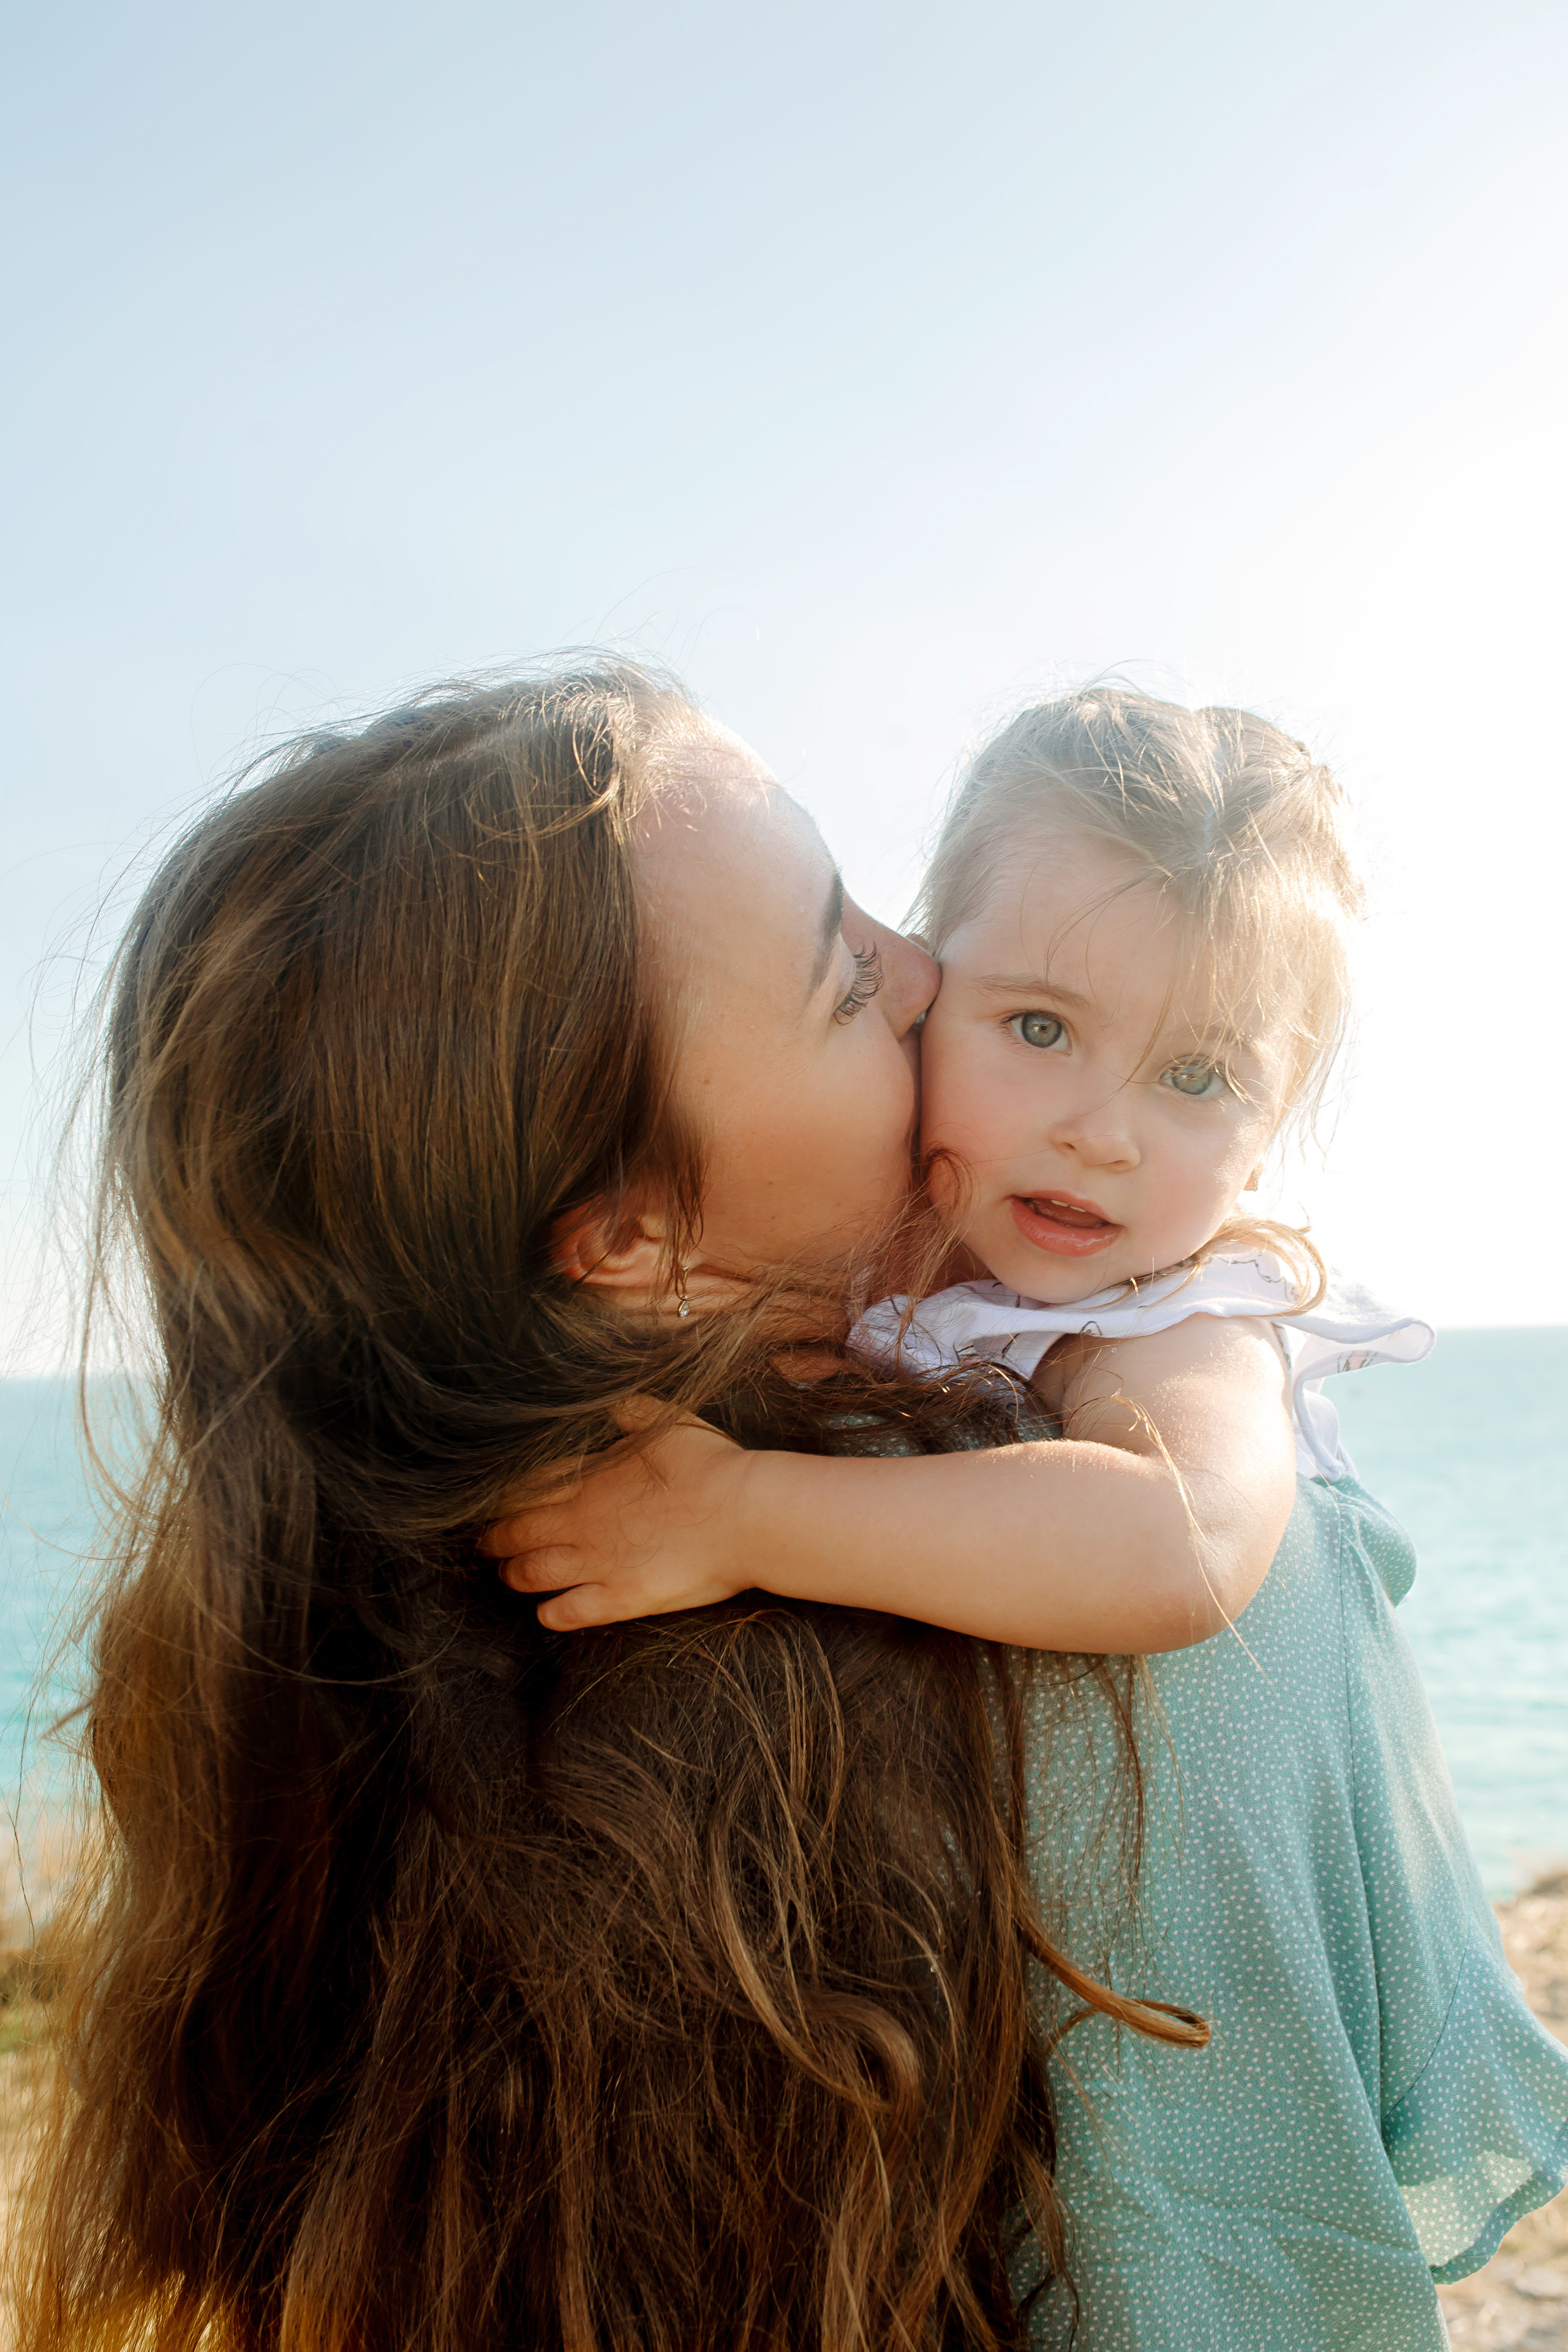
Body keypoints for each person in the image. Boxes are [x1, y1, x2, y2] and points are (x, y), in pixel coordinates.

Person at [13, 663, 1202, 2352]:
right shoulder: (1019, 1580)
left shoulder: (350, 1688)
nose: (924, 970)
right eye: (837, 981)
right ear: (629, 1235)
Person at [488, 690, 1568, 2348]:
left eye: (1198, 1075)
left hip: (1206, 2036)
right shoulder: (911, 1266)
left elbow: (1180, 1547)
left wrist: (745, 1515)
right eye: (1040, 1028)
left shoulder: (1183, 1319)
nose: (1102, 1129)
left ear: (1270, 1133)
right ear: (926, 986)